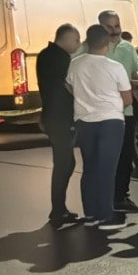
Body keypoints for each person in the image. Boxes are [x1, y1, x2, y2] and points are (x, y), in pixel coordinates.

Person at [66, 24, 132, 230]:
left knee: (90, 168)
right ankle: (105, 216)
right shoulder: (115, 67)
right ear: (108, 43)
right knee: (107, 169)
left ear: (87, 41)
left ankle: (91, 214)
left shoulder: (75, 64)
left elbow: (69, 86)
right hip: (111, 121)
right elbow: (127, 98)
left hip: (84, 121)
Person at [81, 10, 138, 214]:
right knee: (100, 160)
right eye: (109, 27)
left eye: (117, 25)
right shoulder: (86, 50)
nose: (115, 31)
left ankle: (120, 197)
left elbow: (135, 76)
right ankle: (101, 203)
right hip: (96, 114)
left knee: (124, 158)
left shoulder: (128, 49)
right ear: (100, 27)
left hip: (125, 112)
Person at [38, 24, 81, 226]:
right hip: (62, 117)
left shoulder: (44, 55)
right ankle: (58, 210)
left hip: (51, 115)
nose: (78, 44)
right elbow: (68, 86)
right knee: (65, 163)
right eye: (76, 40)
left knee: (65, 162)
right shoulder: (62, 59)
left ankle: (59, 208)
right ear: (65, 38)